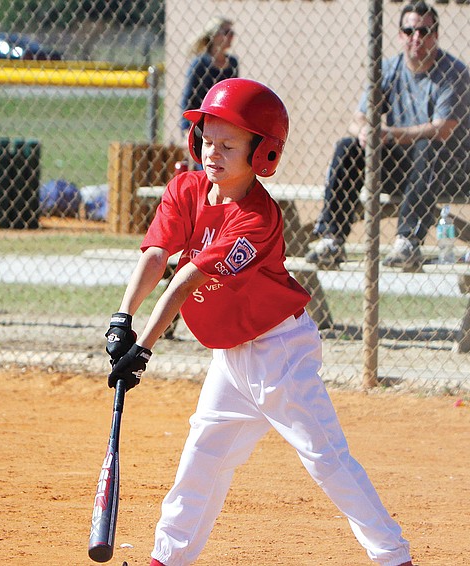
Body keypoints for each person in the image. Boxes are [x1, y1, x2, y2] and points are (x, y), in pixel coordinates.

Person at [103, 78, 414, 566]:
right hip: (230, 357)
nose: (213, 152)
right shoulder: (185, 189)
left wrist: (142, 348)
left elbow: (184, 279)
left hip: (279, 356)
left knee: (326, 461)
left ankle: (394, 556)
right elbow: (158, 253)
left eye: (229, 145)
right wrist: (123, 318)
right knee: (202, 457)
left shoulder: (257, 217)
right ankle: (165, 559)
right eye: (208, 139)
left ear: (262, 153)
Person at [306, 1, 470, 270]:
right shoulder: (388, 69)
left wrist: (387, 134)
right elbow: (358, 119)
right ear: (400, 35)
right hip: (405, 167)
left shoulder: (453, 72)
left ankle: (407, 242)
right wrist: (366, 132)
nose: (416, 38)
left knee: (427, 146)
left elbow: (442, 129)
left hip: (454, 167)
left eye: (424, 31)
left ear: (436, 35)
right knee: (348, 147)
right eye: (409, 31)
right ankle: (332, 239)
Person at [178, 16, 238, 138]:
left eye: (232, 33)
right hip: (201, 123)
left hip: (224, 123)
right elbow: (188, 98)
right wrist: (185, 129)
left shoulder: (233, 63)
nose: (231, 36)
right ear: (215, 36)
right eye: (227, 32)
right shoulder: (200, 63)